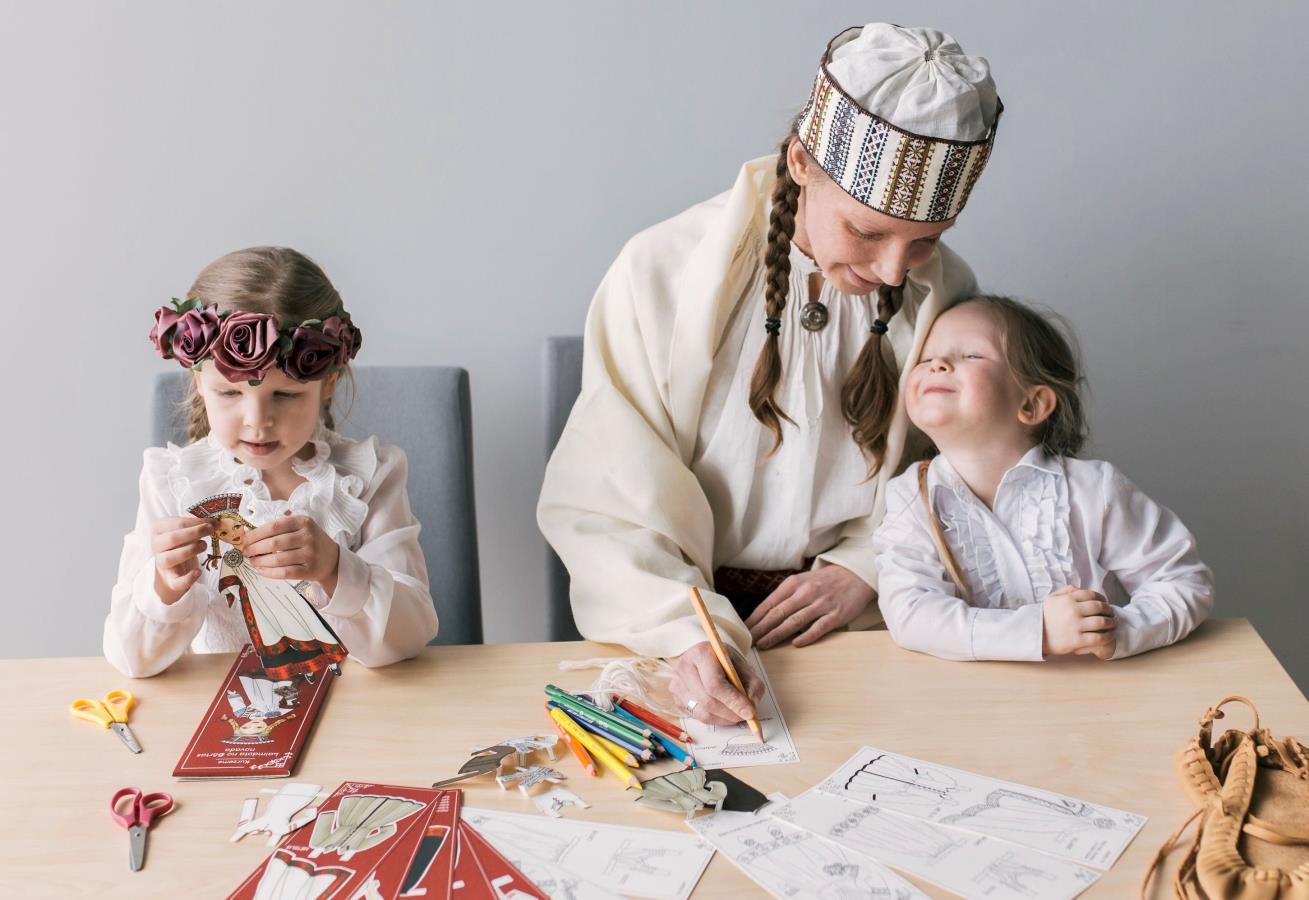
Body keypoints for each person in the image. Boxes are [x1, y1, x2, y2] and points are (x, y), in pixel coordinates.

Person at [539, 24, 1001, 724]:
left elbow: (967, 472)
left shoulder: (944, 290)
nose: (891, 271)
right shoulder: (661, 272)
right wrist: (687, 631)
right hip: (677, 631)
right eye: (867, 231)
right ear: (801, 161)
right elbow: (609, 495)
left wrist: (865, 568)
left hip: (868, 625)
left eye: (924, 242)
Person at [104, 246, 438, 677]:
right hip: (228, 711)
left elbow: (412, 635)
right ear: (199, 382)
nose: (258, 421)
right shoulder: (171, 481)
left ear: (327, 382)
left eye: (285, 394)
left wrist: (335, 569)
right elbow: (130, 659)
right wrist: (164, 585)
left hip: (353, 707)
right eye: (229, 392)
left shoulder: (370, 476)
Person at [875, 295, 1214, 660]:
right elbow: (910, 612)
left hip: (1087, 690)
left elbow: (1182, 580)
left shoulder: (1093, 490)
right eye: (925, 358)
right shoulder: (909, 497)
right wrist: (1039, 632)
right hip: (965, 693)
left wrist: (1116, 631)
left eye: (971, 355)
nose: (937, 364)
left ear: (1032, 404)